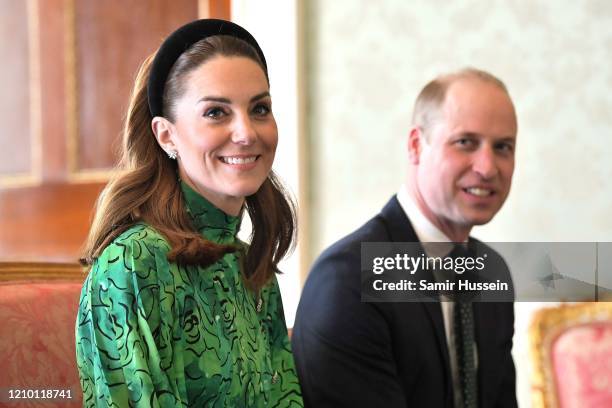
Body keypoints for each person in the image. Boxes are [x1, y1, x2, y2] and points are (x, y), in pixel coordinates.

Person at [75, 19, 303, 407]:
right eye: (216, 112)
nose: (247, 132)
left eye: (259, 108)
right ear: (167, 135)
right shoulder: (131, 265)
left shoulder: (250, 265)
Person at [292, 68, 518, 407]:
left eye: (503, 147)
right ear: (416, 146)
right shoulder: (350, 278)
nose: (487, 167)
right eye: (465, 142)